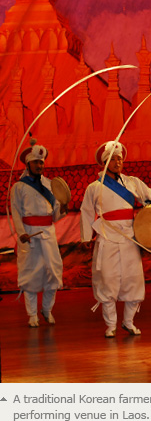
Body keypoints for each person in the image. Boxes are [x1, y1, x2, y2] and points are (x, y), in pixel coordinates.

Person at [80, 141, 151, 338]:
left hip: (130, 236)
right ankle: (111, 325)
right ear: (104, 163)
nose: (117, 162)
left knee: (133, 279)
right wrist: (86, 237)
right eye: (112, 159)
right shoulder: (94, 188)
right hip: (107, 238)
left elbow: (150, 195)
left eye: (119, 159)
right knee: (109, 280)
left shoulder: (132, 182)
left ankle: (129, 322)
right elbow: (87, 212)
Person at [10, 139, 68, 327]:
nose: (39, 165)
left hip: (48, 233)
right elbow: (16, 214)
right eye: (36, 162)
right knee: (31, 274)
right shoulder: (19, 187)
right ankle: (32, 314)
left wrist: (64, 206)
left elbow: (56, 214)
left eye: (41, 162)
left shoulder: (51, 185)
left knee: (53, 272)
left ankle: (47, 310)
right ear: (28, 164)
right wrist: (21, 234)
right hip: (29, 234)